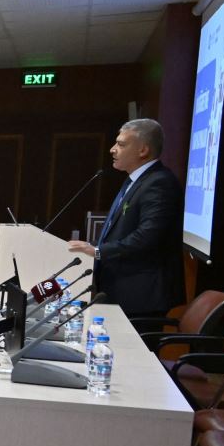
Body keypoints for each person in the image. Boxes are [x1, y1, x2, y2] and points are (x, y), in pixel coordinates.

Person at [66, 118, 185, 318]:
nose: (112, 149)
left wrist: (98, 251)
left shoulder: (159, 183)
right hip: (123, 289)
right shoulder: (136, 180)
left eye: (121, 144)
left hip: (141, 295)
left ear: (143, 150)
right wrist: (92, 247)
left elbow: (147, 237)